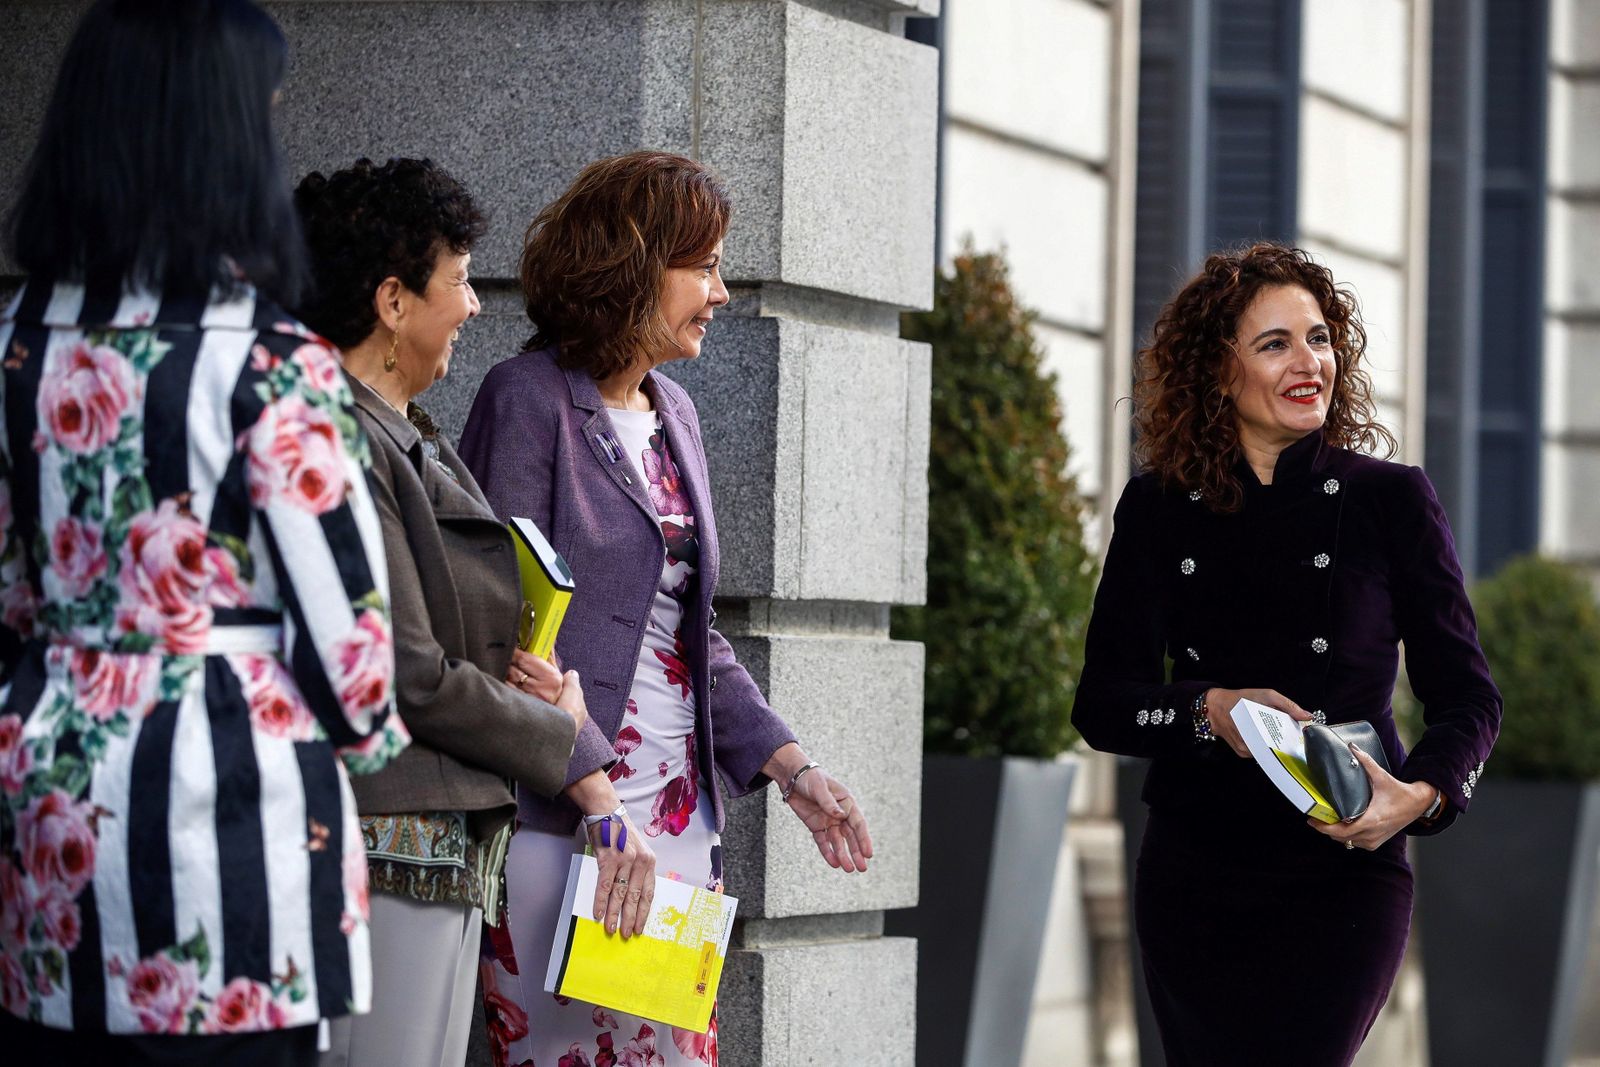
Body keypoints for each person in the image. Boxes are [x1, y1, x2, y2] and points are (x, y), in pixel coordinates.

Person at [0, 2, 409, 1063]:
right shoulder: (271, 360)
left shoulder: (16, 343)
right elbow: (353, 660)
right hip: (234, 827)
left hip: (47, 811)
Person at [458, 151, 873, 1066]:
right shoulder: (526, 400)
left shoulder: (675, 411)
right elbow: (501, 632)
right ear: (635, 267)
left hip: (677, 821)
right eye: (705, 267)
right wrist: (599, 803)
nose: (720, 293)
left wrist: (793, 769)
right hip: (566, 814)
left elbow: (689, 633)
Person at [1072, 243, 1501, 1066]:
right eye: (1275, 344)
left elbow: (1470, 699)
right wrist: (1211, 709)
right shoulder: (1158, 508)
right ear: (1217, 370)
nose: (1310, 363)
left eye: (1320, 338)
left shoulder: (1390, 500)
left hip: (1344, 871)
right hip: (1196, 873)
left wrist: (1419, 796)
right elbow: (1103, 703)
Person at [291, 157, 590, 1067]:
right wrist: (552, 729)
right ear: (392, 300)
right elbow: (407, 670)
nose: (471, 306)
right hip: (388, 838)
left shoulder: (406, 431)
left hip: (433, 840)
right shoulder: (343, 433)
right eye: (457, 280)